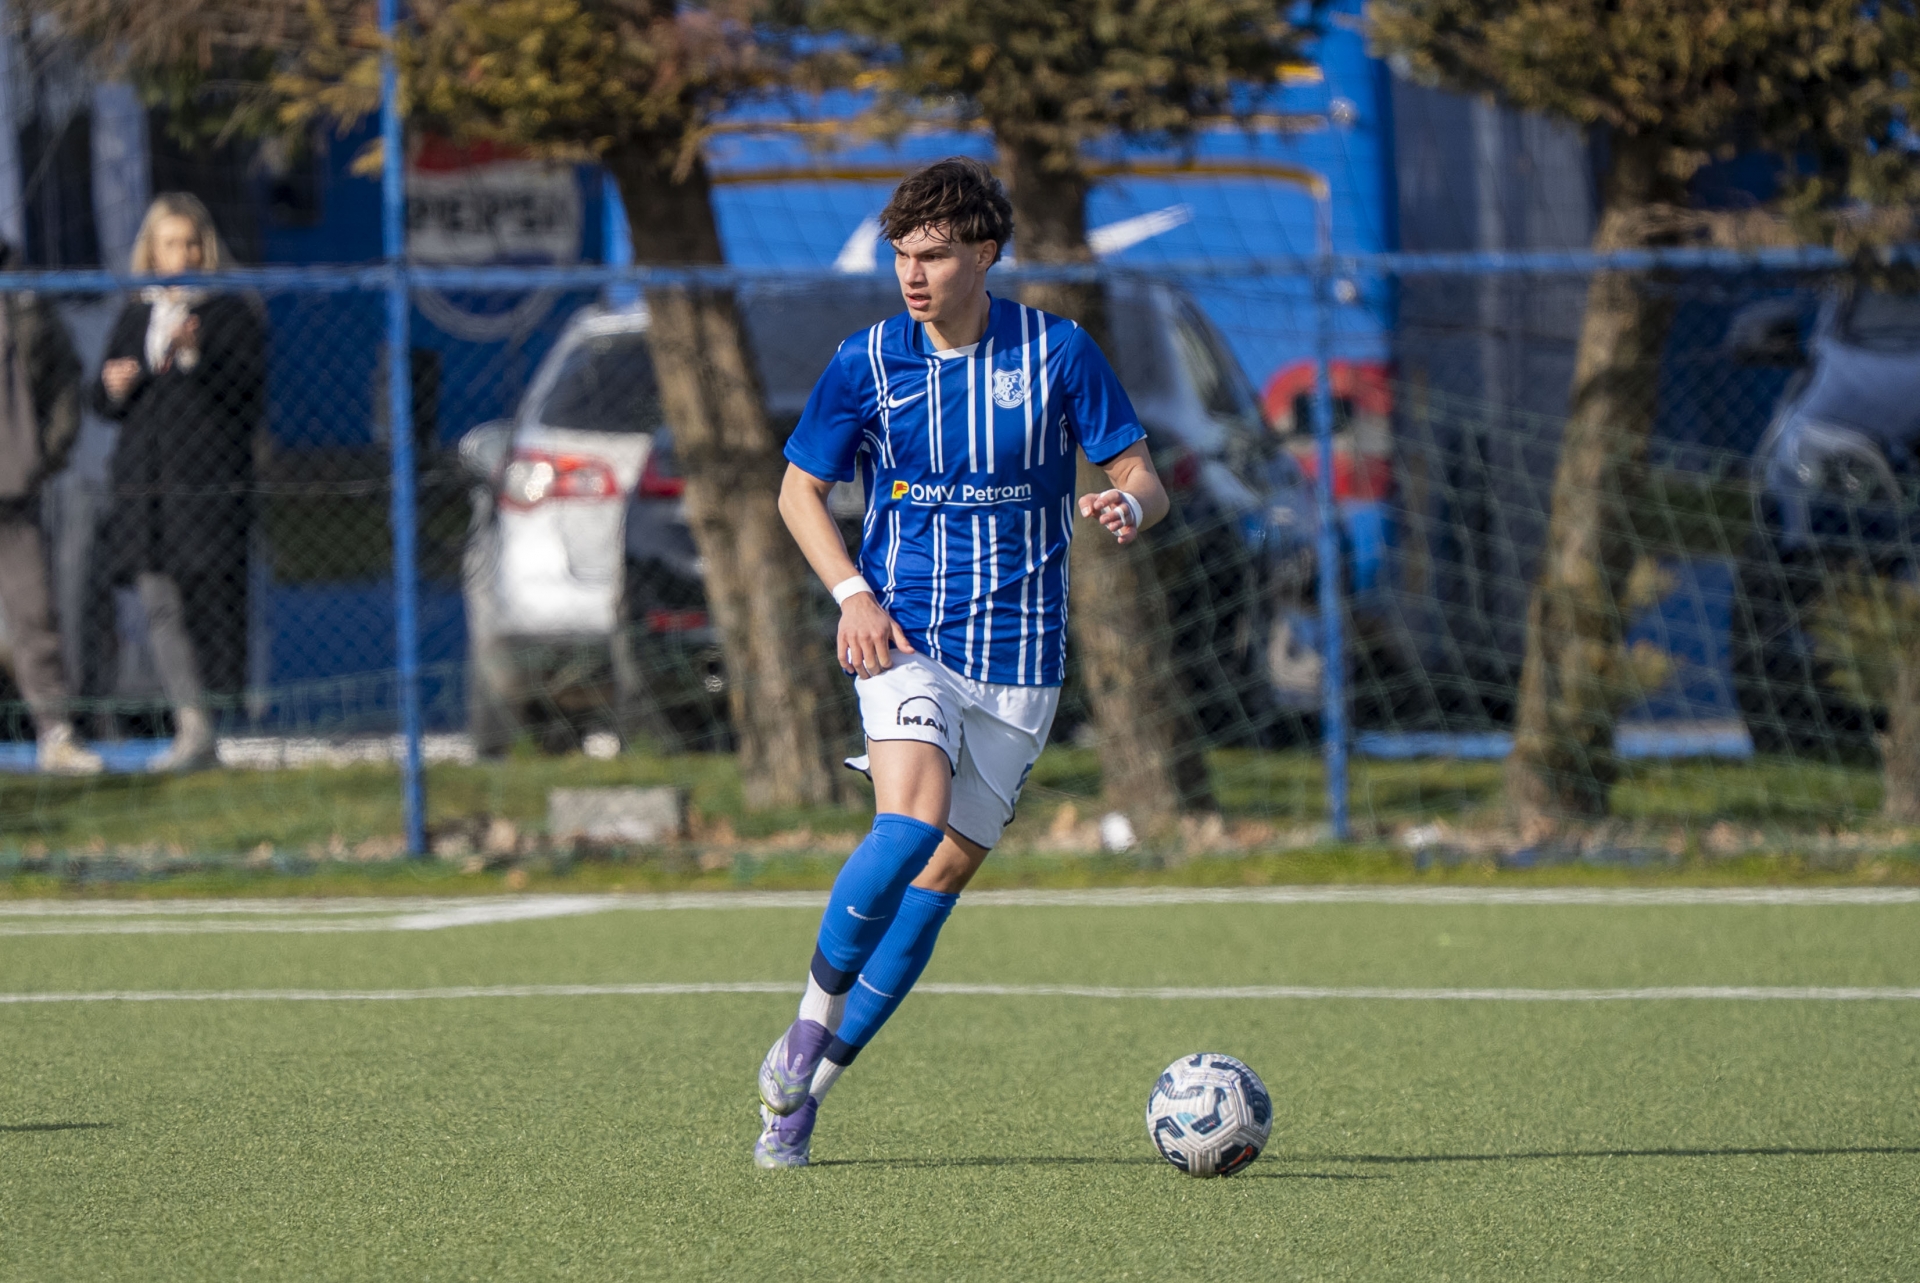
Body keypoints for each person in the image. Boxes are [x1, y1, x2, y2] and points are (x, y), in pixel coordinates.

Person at [754, 158, 1169, 1168]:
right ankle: (805, 1021)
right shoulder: (866, 360)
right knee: (910, 821)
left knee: (942, 873)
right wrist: (852, 594)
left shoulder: (1057, 351)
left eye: (934, 254)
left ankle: (807, 1096)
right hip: (904, 638)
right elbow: (798, 491)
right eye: (903, 254)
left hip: (1020, 660)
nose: (913, 273)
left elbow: (1139, 471)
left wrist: (1131, 503)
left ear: (985, 254)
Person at [91, 193, 264, 772]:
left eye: (192, 243)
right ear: (152, 251)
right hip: (145, 489)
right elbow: (105, 401)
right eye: (170, 244)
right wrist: (113, 387)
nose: (183, 254)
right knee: (159, 605)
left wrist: (195, 359)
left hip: (206, 486)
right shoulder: (135, 315)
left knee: (210, 602)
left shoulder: (229, 314)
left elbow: (247, 395)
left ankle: (221, 720)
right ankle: (192, 726)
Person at [0, 242, 104, 774]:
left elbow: (66, 376)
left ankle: (56, 733)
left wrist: (47, 453)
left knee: (35, 615)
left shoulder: (27, 297)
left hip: (14, 485)